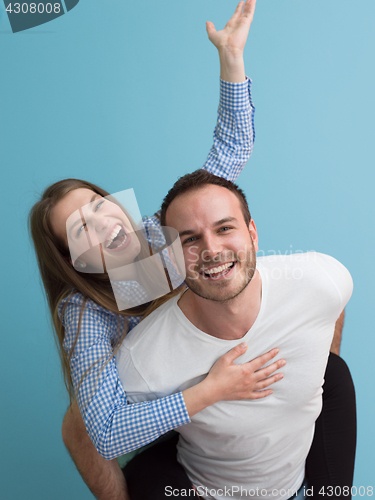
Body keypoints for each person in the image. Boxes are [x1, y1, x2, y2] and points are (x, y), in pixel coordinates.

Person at [29, 2, 278, 498]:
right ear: (74, 262)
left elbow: (227, 154)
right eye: (81, 230)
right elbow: (106, 431)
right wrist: (208, 393)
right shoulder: (85, 309)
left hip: (215, 354)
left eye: (99, 204)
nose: (103, 222)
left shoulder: (163, 231)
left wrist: (231, 58)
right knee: (75, 427)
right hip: (167, 397)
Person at [115, 169, 356, 499]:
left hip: (298, 481)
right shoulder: (141, 358)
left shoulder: (320, 279)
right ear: (172, 257)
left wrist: (314, 364)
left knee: (335, 371)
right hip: (205, 489)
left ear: (252, 233)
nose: (211, 250)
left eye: (224, 228)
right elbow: (99, 433)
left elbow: (334, 303)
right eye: (190, 239)